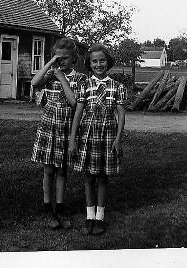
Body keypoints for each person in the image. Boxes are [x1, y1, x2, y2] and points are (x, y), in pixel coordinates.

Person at [69, 43, 126, 236]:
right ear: (89, 63)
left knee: (102, 176)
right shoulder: (84, 84)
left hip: (108, 135)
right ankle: (89, 216)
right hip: (87, 135)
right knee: (88, 176)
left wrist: (118, 139)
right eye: (95, 61)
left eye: (102, 60)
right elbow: (78, 112)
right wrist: (72, 139)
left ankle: (100, 217)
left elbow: (121, 115)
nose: (99, 64)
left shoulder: (117, 86)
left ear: (108, 62)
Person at [31, 37, 87, 230]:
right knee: (48, 170)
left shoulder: (80, 78)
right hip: (48, 126)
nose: (61, 61)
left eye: (65, 58)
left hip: (65, 127)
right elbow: (35, 82)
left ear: (74, 60)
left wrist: (62, 79)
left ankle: (60, 207)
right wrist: (50, 64)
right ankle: (48, 207)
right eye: (58, 57)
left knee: (62, 170)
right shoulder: (51, 74)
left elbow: (74, 102)